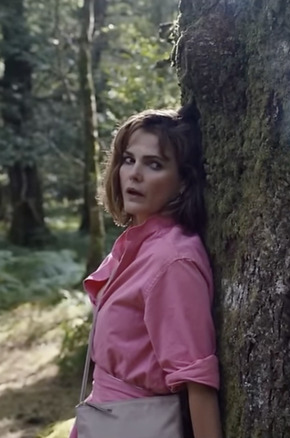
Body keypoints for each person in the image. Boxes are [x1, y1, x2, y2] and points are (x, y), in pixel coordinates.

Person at [69, 105, 222, 438]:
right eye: (128, 159)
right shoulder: (137, 244)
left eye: (154, 164)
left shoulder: (172, 260)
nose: (134, 174)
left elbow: (197, 379)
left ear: (183, 183)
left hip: (136, 426)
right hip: (104, 420)